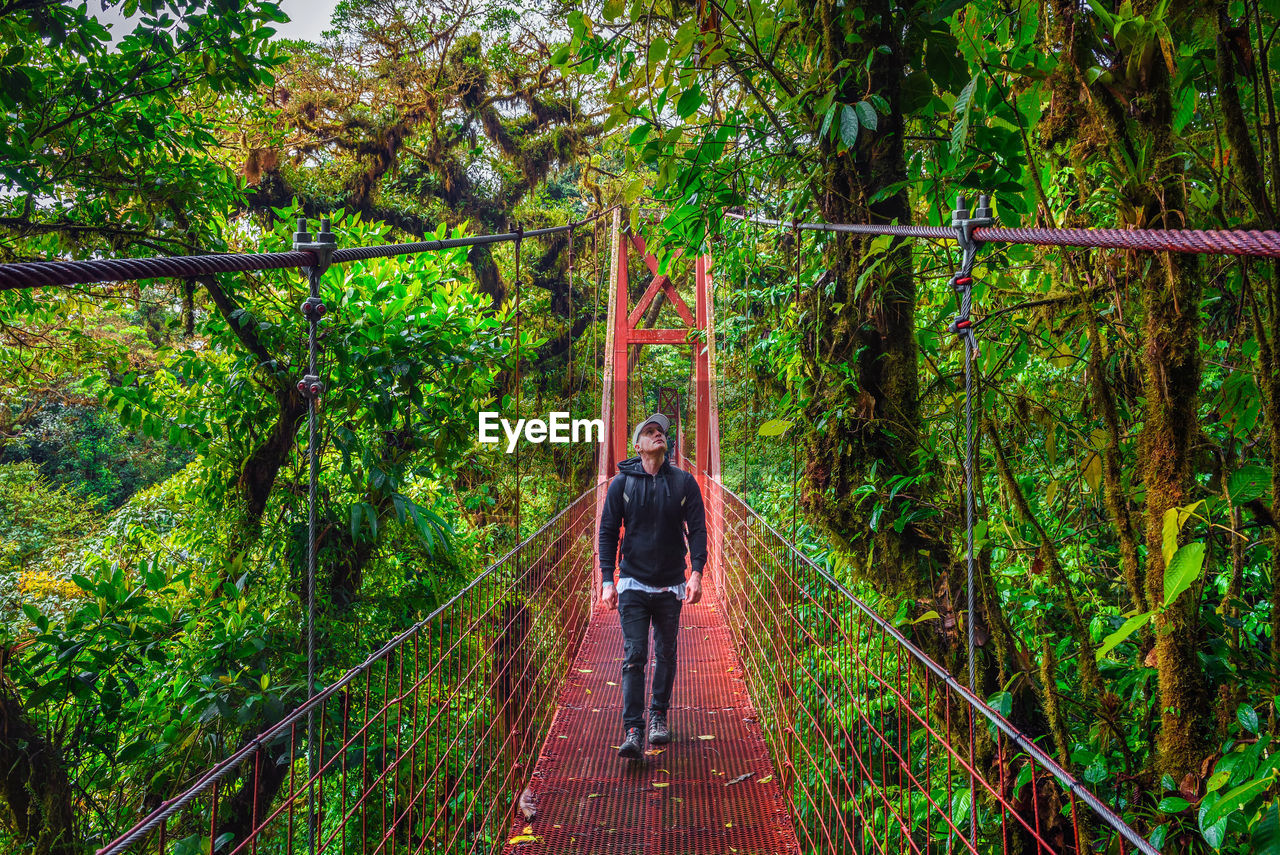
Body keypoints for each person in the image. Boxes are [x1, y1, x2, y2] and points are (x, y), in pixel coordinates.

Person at [598, 413, 707, 759]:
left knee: (667, 653)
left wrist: (697, 572)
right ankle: (633, 728)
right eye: (650, 431)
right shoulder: (621, 485)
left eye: (661, 431)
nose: (658, 434)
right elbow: (607, 531)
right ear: (637, 446)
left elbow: (699, 529)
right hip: (631, 582)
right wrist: (605, 580)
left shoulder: (684, 482)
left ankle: (658, 716)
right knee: (635, 655)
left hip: (670, 584)